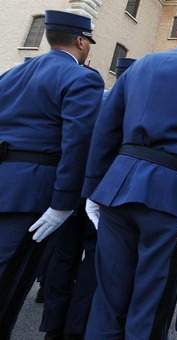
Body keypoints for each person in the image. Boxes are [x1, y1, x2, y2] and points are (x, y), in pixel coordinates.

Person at [82, 1, 177, 338]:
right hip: (168, 193)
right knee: (149, 301)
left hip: (116, 187)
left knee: (108, 297)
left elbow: (105, 130)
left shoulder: (141, 65)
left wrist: (93, 188)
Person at [0, 10, 103, 338]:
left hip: (5, 181)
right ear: (80, 41)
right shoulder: (81, 78)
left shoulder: (12, 74)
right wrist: (64, 203)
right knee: (10, 282)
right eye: (88, 42)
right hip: (35, 192)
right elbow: (77, 144)